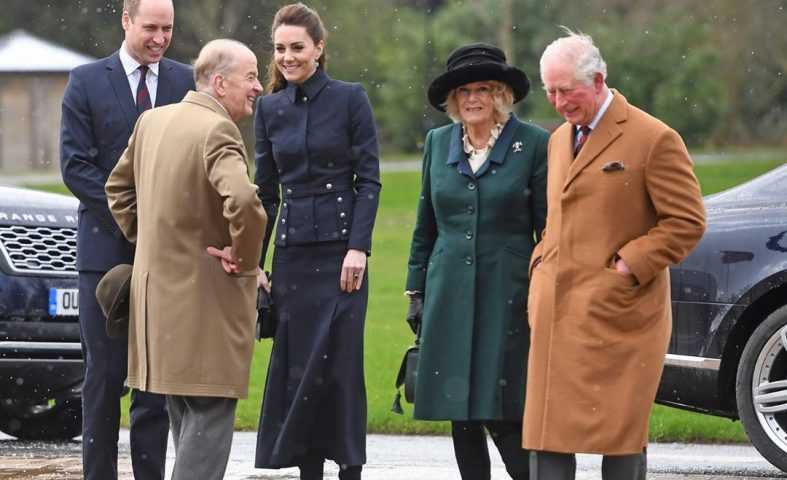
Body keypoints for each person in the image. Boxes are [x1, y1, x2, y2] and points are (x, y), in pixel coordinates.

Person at [523, 29, 706, 480]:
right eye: (550, 91)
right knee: (548, 435)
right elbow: (558, 218)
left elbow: (687, 221)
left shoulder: (654, 138)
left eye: (567, 90)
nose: (558, 102)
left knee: (620, 435)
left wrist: (627, 266)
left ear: (599, 80)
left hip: (621, 317)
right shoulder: (558, 140)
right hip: (556, 315)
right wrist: (542, 264)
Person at [105, 39, 267, 480]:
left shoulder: (152, 121)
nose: (258, 87)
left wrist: (154, 242)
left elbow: (116, 189)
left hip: (157, 310)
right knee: (208, 426)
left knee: (187, 422)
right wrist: (245, 260)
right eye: (251, 77)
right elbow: (245, 203)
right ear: (220, 83)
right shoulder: (218, 131)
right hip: (206, 306)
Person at [59, 0, 194, 478]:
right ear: (125, 20)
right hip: (105, 256)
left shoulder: (185, 81)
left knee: (154, 382)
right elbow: (75, 167)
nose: (160, 38)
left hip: (168, 260)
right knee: (104, 376)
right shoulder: (86, 81)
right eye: (150, 28)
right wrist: (135, 218)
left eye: (168, 29)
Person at [404, 43, 548, 480]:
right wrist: (416, 290)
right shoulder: (438, 142)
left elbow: (549, 231)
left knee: (504, 409)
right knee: (460, 411)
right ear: (453, 99)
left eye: (482, 89)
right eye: (463, 91)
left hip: (508, 293)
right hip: (448, 290)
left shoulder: (534, 144)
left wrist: (546, 290)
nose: (472, 98)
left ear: (501, 94)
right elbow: (425, 223)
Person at [252, 3, 381, 480]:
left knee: (340, 367)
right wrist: (256, 262)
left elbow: (369, 180)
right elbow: (265, 193)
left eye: (297, 48)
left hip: (342, 257)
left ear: (319, 48)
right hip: (292, 259)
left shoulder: (350, 99)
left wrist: (358, 248)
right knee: (299, 367)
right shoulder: (268, 109)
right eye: (280, 48)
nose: (288, 57)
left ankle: (350, 469)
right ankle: (309, 471)